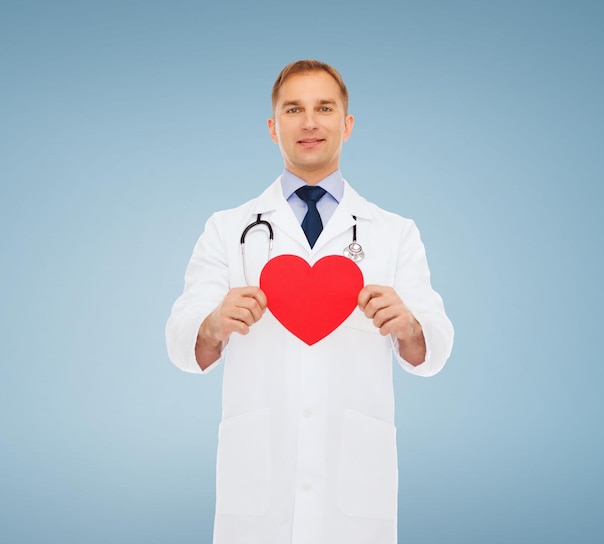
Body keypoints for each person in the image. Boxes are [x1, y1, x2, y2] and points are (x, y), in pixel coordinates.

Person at [166, 60, 453, 544]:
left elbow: (434, 346)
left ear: (347, 124)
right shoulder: (227, 227)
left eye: (325, 107)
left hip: (355, 480)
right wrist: (212, 325)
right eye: (293, 109)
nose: (310, 122)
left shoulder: (394, 232)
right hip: (258, 480)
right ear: (273, 126)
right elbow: (181, 336)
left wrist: (410, 326)